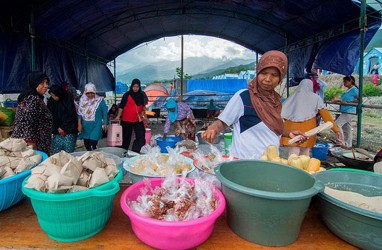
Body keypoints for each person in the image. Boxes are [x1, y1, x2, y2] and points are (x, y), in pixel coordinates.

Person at [201, 50, 306, 159]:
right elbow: (223, 122)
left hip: (270, 163)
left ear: (280, 78)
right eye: (264, 73)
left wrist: (289, 133)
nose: (268, 79)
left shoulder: (277, 101)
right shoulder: (244, 97)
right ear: (258, 72)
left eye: (274, 75)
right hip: (244, 164)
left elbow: (272, 127)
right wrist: (213, 129)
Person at [280, 79, 342, 156]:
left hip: (292, 129)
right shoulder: (316, 98)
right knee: (305, 154)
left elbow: (282, 115)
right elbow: (326, 116)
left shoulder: (291, 98)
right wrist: (336, 130)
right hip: (308, 130)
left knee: (293, 155)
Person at [12, 71, 53, 155]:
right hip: (34, 143)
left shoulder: (34, 97)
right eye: (42, 83)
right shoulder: (31, 99)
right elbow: (26, 122)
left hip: (39, 140)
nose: (46, 86)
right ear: (34, 83)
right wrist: (30, 143)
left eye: (46, 83)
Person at [115, 78, 148, 153]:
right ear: (131, 86)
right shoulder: (127, 95)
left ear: (139, 87)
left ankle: (135, 151)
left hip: (137, 119)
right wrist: (118, 116)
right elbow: (121, 106)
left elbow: (143, 107)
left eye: (137, 87)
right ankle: (123, 152)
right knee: (126, 137)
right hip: (126, 120)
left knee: (141, 135)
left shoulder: (141, 95)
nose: (135, 88)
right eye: (134, 86)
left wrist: (144, 117)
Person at [47, 84, 78, 154]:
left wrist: (63, 127)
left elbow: (71, 115)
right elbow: (50, 116)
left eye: (55, 95)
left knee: (68, 152)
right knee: (57, 152)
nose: (53, 97)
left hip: (69, 130)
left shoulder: (67, 100)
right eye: (52, 95)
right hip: (57, 131)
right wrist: (57, 127)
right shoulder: (51, 102)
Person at [77, 82, 108, 151]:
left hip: (96, 125)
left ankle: (95, 154)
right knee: (86, 144)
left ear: (95, 92)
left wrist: (105, 123)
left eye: (92, 93)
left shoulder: (100, 100)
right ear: (85, 92)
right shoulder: (82, 101)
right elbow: (79, 113)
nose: (90, 95)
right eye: (88, 93)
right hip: (85, 126)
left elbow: (104, 112)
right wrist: (79, 124)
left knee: (93, 142)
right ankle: (90, 157)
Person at [334, 75, 359, 148]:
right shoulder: (348, 90)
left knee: (337, 124)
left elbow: (359, 100)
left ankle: (340, 141)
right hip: (345, 110)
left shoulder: (354, 90)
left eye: (345, 81)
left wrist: (348, 102)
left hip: (349, 110)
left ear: (351, 81)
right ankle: (348, 144)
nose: (344, 83)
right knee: (347, 128)